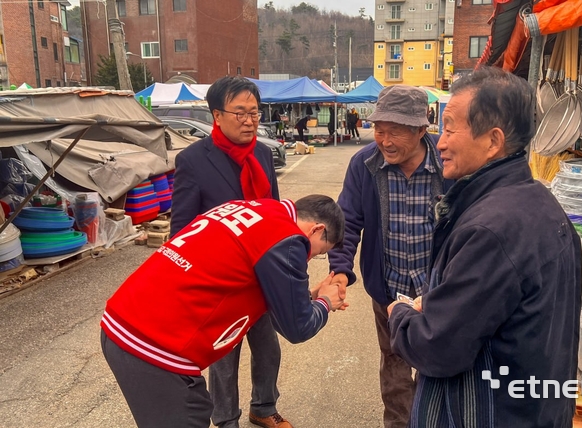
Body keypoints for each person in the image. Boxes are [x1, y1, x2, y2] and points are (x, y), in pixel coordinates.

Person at [388, 66, 582, 427]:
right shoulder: (540, 202)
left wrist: (401, 315)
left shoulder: (490, 230)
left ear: (493, 141)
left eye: (448, 128)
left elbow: (437, 347)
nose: (440, 142)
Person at [101, 195, 347, 428]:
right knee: (190, 416)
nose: (311, 255)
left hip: (123, 322)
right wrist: (326, 302)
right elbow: (297, 328)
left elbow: (243, 276)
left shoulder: (251, 210)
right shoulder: (289, 238)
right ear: (316, 229)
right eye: (319, 252)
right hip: (155, 347)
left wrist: (309, 297)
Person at [327, 85, 454, 428]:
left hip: (440, 292)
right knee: (395, 363)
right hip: (389, 288)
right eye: (379, 130)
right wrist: (340, 270)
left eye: (395, 131)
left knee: (441, 363)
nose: (385, 141)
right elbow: (348, 220)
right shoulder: (364, 164)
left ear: (420, 129)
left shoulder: (449, 162)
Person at [170, 76, 288, 428]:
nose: (250, 120)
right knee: (224, 356)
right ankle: (226, 420)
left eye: (254, 112)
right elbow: (182, 228)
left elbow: (275, 212)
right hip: (220, 279)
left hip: (262, 274)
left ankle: (263, 407)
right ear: (216, 115)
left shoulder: (263, 155)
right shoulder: (193, 160)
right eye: (240, 112)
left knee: (268, 349)